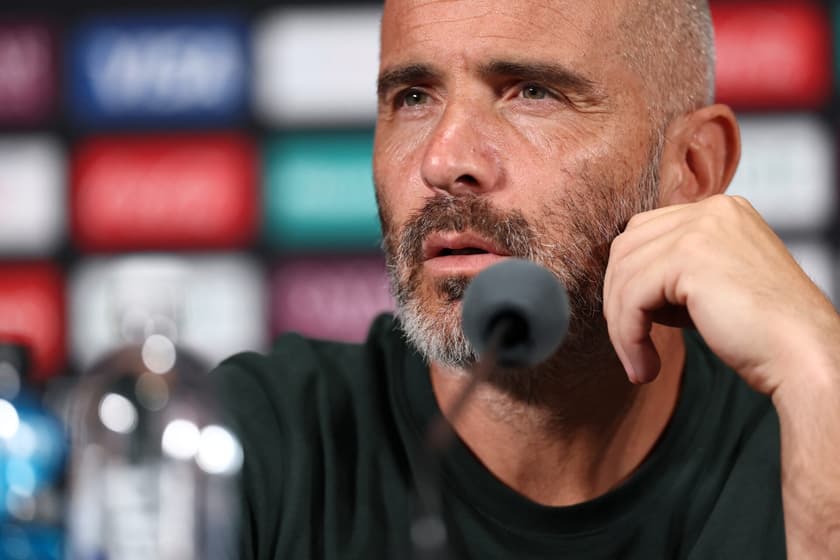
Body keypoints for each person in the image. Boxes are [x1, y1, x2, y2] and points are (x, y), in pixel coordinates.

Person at [212, 0, 840, 558]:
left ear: (693, 168)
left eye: (532, 92)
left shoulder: (811, 430)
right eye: (413, 97)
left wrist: (821, 375)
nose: (444, 160)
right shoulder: (246, 448)